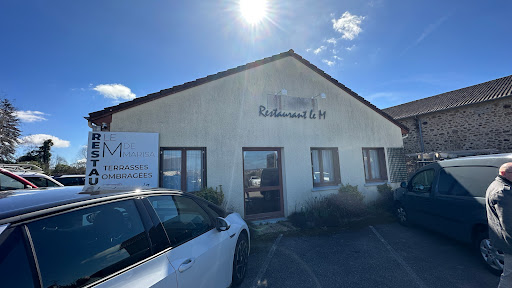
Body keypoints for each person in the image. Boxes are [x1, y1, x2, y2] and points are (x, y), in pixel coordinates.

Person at [487, 162, 512, 287]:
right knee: (509, 275)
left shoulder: (496, 184)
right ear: (503, 173)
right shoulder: (503, 191)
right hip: (509, 241)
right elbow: (509, 223)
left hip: (505, 239)